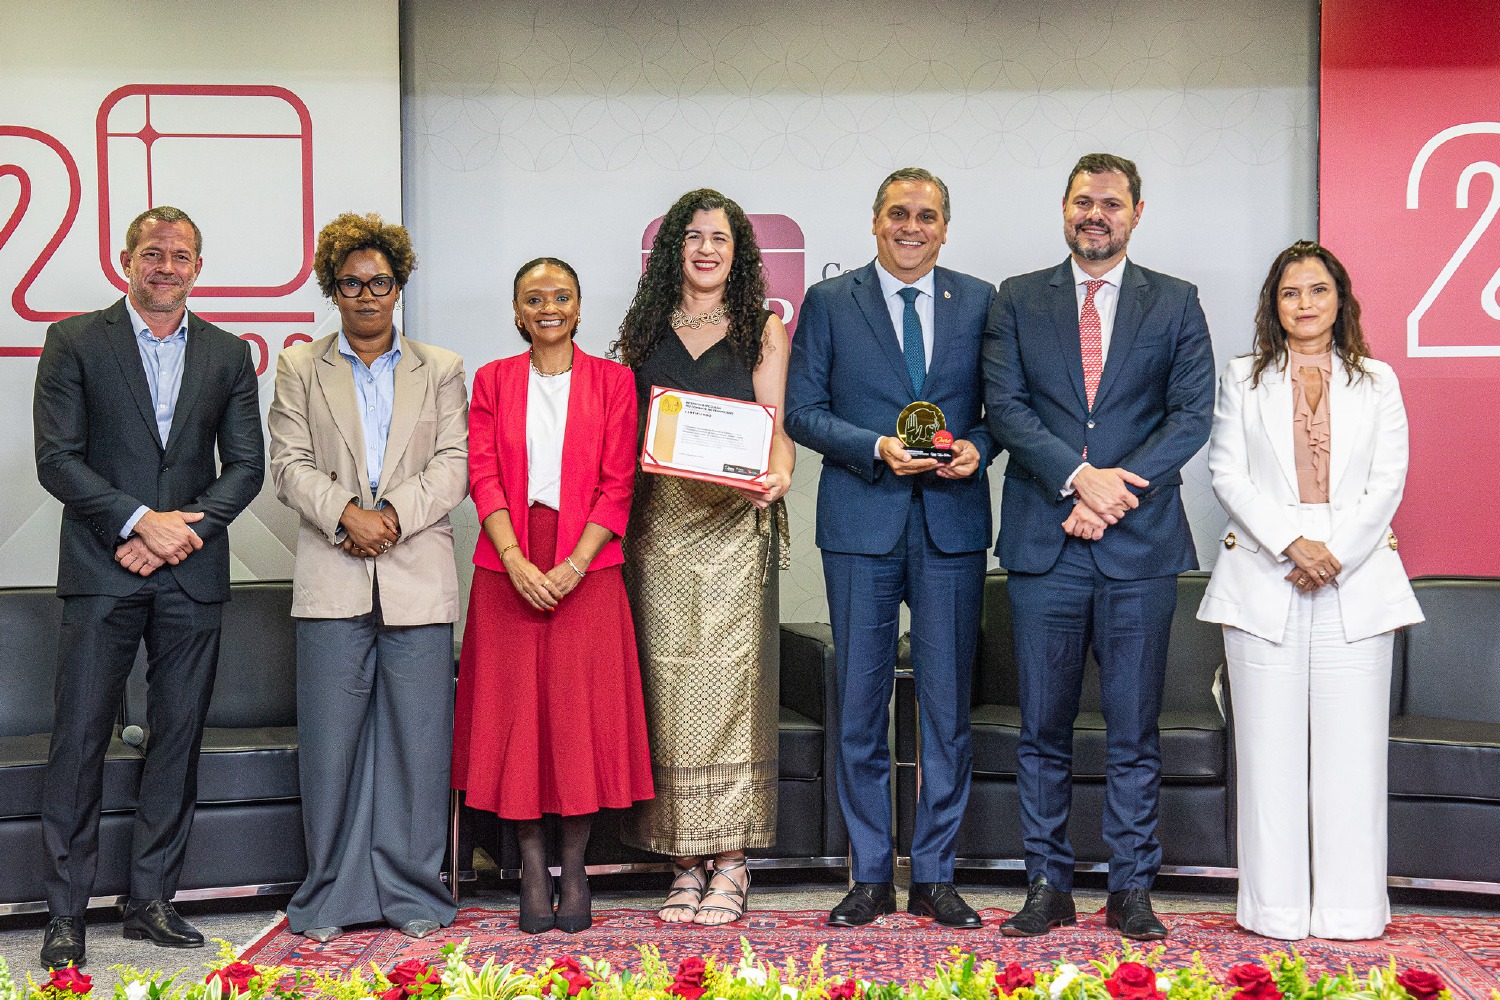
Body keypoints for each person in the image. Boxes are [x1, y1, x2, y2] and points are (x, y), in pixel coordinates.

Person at [982, 153, 1215, 940]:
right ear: (1063, 207)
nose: (1096, 214)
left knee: (1133, 730)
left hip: (1138, 547)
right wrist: (1080, 479)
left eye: (1111, 203)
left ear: (1136, 214)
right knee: (1042, 728)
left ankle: (1130, 888)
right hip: (1045, 545)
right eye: (1084, 201)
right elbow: (1006, 409)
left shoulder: (1176, 302)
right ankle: (1046, 884)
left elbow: (1189, 416)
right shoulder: (1017, 299)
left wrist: (1112, 493)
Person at [32, 206, 264, 968]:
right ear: (125, 259)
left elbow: (246, 468)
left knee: (177, 740)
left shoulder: (228, 354)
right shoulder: (74, 341)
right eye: (153, 253)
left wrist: (181, 532)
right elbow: (58, 460)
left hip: (190, 574)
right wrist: (138, 523)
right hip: (103, 569)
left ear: (199, 266)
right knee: (79, 743)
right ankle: (65, 913)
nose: (166, 266)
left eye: (181, 255)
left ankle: (151, 902)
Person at [785, 167, 996, 929]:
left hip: (950, 525)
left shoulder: (978, 300)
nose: (913, 227)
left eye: (928, 216)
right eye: (899, 213)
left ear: (946, 227)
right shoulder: (830, 303)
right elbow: (801, 412)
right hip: (860, 526)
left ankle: (935, 873)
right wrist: (874, 444)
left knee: (947, 711)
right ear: (874, 222)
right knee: (862, 708)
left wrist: (979, 445)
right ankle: (870, 874)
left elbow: (1002, 407)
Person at [1197, 241, 1423, 940]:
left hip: (1356, 574)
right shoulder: (1242, 378)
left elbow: (1388, 479)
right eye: (1290, 292)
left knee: (1353, 755)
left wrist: (1334, 553)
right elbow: (1227, 473)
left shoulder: (1378, 381)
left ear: (1339, 300)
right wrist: (1292, 544)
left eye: (1317, 291)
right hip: (1265, 568)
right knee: (1267, 754)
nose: (1304, 303)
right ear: (1274, 304)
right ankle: (1275, 912)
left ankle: (1353, 912)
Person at [268, 212, 467, 943]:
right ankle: (331, 895)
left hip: (416, 574)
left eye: (379, 281)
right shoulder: (298, 366)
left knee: (419, 746)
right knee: (332, 744)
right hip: (332, 572)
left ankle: (415, 893)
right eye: (350, 283)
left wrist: (388, 517)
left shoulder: (440, 367)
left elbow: (454, 466)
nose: (366, 294)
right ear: (332, 289)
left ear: (399, 285)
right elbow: (287, 464)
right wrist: (347, 514)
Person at [451, 257, 653, 934]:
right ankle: (532, 866)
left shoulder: (615, 382)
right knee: (518, 722)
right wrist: (514, 558)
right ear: (516, 311)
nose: (548, 307)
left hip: (587, 568)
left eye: (560, 296)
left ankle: (576, 868)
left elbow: (618, 481)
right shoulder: (492, 380)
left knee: (577, 722)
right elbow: (483, 475)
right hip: (507, 563)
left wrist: (574, 564)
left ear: (578, 306)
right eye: (534, 298)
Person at [615, 189, 794, 926]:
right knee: (665, 694)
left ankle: (731, 863)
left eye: (720, 238)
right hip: (657, 531)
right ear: (674, 251)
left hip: (731, 530)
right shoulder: (644, 328)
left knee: (732, 694)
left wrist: (779, 473)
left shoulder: (762, 327)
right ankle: (683, 863)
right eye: (693, 236)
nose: (706, 249)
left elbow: (775, 428)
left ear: (739, 250)